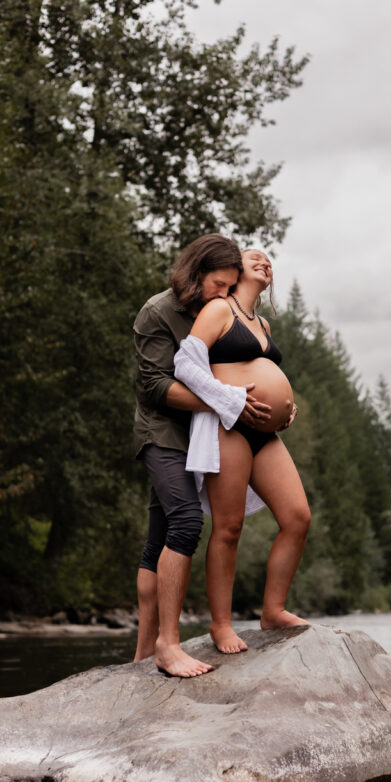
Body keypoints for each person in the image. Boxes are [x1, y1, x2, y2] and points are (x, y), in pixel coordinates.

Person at [132, 234, 272, 677]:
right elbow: (153, 386)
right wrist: (224, 401)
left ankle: (140, 656)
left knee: (158, 539)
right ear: (195, 274)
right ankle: (167, 646)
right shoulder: (157, 312)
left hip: (203, 432)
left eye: (229, 286)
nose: (223, 294)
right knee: (188, 522)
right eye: (217, 284)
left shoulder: (220, 308)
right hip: (163, 431)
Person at [176, 248, 310, 655]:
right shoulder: (219, 309)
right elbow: (185, 364)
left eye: (270, 260)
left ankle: (273, 610)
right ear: (235, 271)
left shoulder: (263, 323)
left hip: (264, 433)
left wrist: (285, 410)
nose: (265, 261)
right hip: (228, 425)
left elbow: (266, 374)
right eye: (254, 256)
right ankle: (221, 625)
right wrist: (228, 398)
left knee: (297, 517)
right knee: (229, 527)